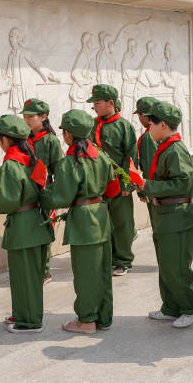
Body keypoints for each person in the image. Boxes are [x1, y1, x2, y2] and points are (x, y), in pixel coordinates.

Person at [39, 110, 119, 334]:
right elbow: (113, 185)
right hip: (101, 216)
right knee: (102, 271)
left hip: (84, 221)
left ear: (68, 135)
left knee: (85, 274)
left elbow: (61, 198)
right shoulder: (100, 156)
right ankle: (103, 317)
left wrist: (40, 194)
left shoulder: (70, 162)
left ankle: (86, 321)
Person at [135, 102, 193, 328]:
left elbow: (183, 183)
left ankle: (192, 307)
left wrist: (148, 185)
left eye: (151, 123)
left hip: (177, 215)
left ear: (163, 124)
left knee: (176, 267)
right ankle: (172, 307)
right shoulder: (165, 146)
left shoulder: (175, 149)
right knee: (166, 265)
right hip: (166, 214)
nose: (149, 127)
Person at [0, 115, 55, 333]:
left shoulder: (10, 165)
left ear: (6, 140)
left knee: (24, 276)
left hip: (22, 226)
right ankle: (22, 314)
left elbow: (8, 201)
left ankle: (29, 322)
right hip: (36, 222)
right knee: (29, 276)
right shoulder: (31, 159)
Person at [87, 84, 138, 276]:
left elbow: (130, 157)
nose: (95, 107)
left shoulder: (124, 126)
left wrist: (126, 183)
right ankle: (107, 258)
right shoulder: (92, 125)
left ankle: (123, 260)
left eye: (97, 103)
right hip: (98, 183)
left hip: (118, 182)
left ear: (110, 103)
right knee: (104, 223)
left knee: (122, 223)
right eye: (93, 103)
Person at [22, 98, 63, 284]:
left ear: (43, 117)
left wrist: (52, 194)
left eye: (31, 116)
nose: (27, 120)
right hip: (27, 193)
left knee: (44, 232)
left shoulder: (50, 141)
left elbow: (59, 170)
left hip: (44, 192)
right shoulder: (25, 140)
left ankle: (44, 271)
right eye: (25, 116)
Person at [134, 96, 159, 223]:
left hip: (156, 193)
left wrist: (145, 192)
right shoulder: (160, 131)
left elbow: (151, 167)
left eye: (138, 114)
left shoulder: (148, 137)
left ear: (143, 114)